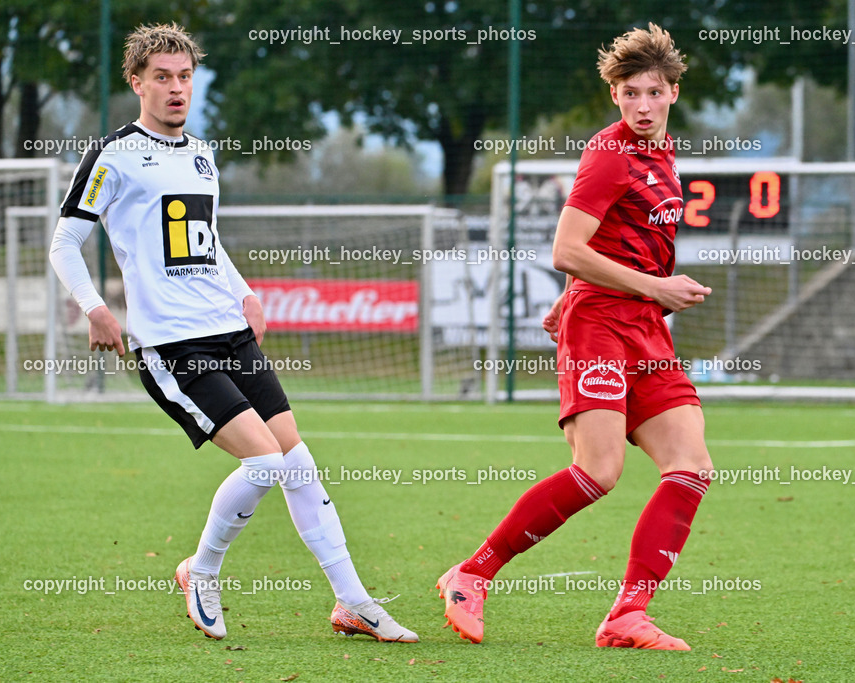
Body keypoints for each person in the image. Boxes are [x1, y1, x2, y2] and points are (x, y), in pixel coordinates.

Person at [49, 22, 416, 643]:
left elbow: (205, 241)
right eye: (161, 77)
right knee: (266, 460)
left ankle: (353, 601)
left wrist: (244, 291)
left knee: (296, 461)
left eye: (184, 76)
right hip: (172, 344)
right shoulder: (113, 154)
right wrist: (93, 307)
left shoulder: (199, 152)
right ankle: (203, 571)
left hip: (228, 330)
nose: (175, 88)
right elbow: (65, 240)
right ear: (136, 83)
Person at [437, 23, 714, 650]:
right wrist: (650, 288)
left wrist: (583, 296)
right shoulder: (610, 153)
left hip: (640, 328)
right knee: (599, 470)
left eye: (652, 92)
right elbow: (566, 247)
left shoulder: (663, 154)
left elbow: (618, 241)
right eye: (628, 93)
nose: (641, 105)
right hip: (603, 329)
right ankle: (472, 574)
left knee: (691, 467)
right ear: (614, 95)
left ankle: (627, 615)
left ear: (673, 91)